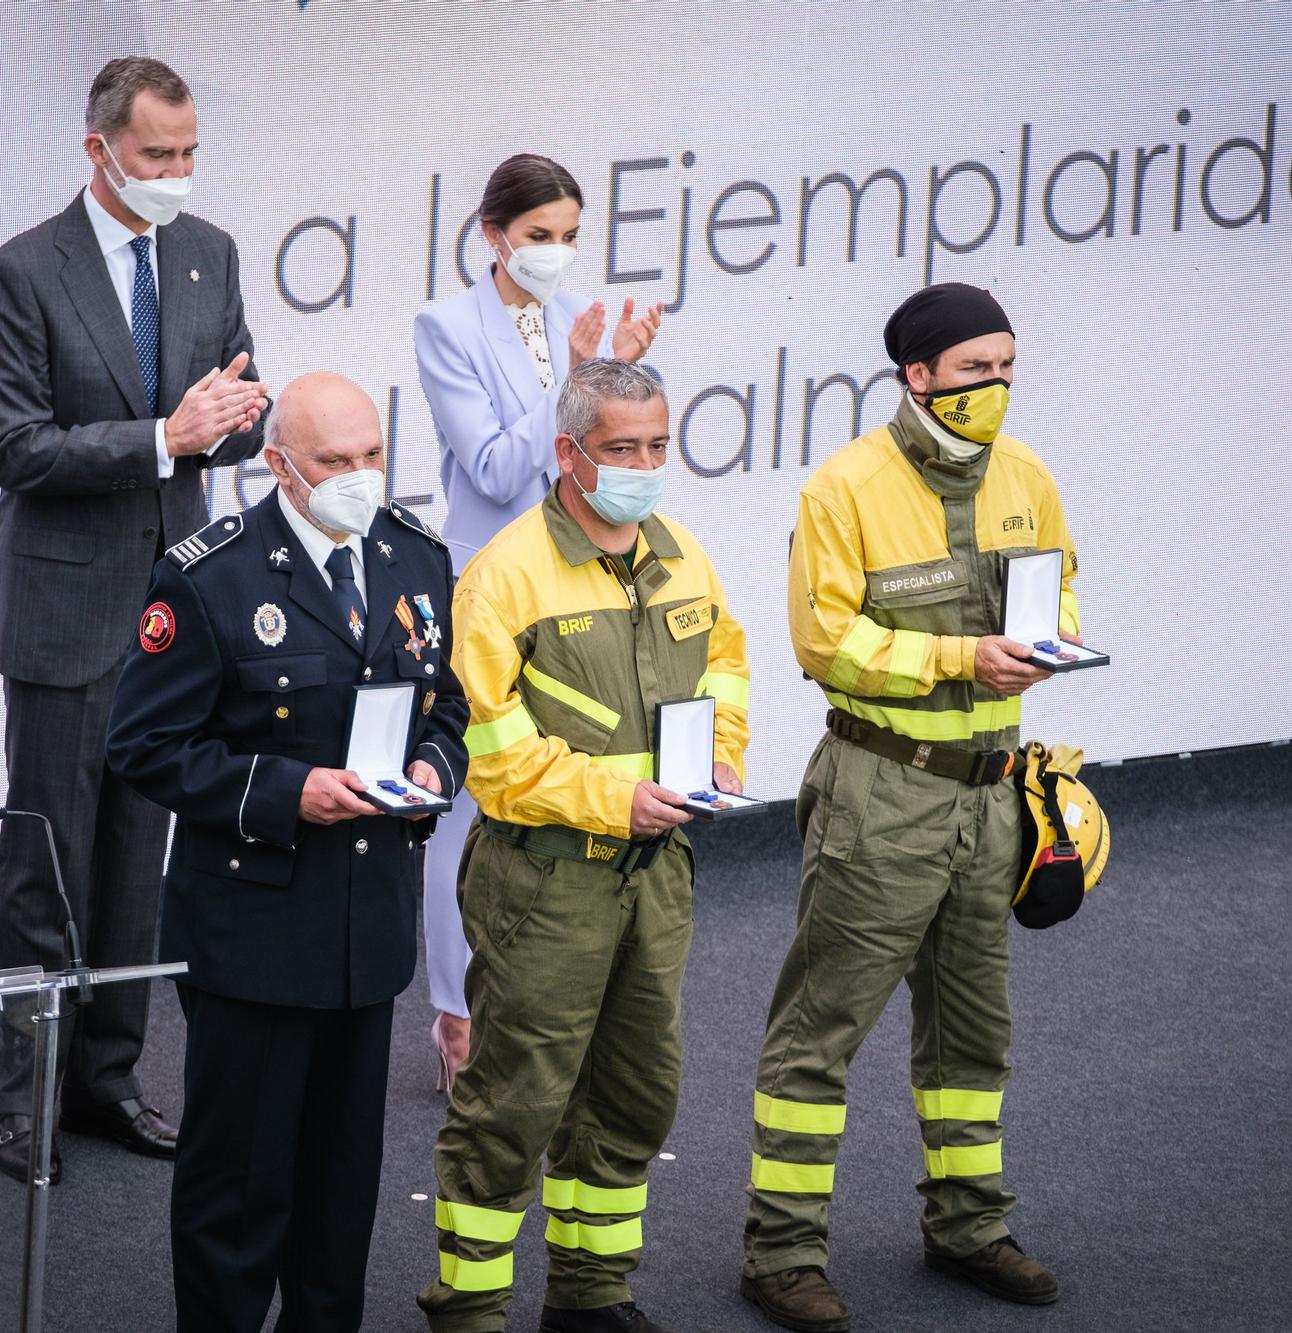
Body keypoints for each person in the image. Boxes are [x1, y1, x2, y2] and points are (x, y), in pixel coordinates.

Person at [739, 283, 1082, 1330]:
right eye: (975, 368)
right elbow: (820, 641)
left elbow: (1060, 590)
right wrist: (957, 656)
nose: (996, 386)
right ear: (917, 374)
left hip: (989, 798)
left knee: (973, 1033)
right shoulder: (842, 487)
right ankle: (779, 1253)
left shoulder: (1026, 476)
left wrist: (1048, 643)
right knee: (820, 1029)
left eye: (1007, 366)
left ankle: (968, 1224)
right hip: (878, 792)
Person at [107, 372, 469, 1332]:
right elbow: (143, 746)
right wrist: (284, 790)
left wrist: (435, 765)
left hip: (366, 932)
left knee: (339, 1196)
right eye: (336, 462)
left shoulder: (414, 556)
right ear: (280, 465)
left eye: (372, 456)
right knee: (240, 1194)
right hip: (256, 933)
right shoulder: (209, 574)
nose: (360, 477)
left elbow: (452, 705)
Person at [0, 55, 270, 1183]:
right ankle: (21, 1099)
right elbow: (16, 448)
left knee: (139, 865)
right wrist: (163, 438)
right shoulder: (23, 272)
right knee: (47, 863)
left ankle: (106, 1082)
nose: (177, 175)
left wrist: (238, 421)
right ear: (98, 150)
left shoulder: (208, 253)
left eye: (189, 154)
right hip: (59, 606)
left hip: (170, 610)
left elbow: (236, 409)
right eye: (156, 157)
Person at [419, 359, 748, 1333]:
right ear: (567, 453)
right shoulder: (505, 574)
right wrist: (615, 797)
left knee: (634, 1095)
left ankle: (590, 1296)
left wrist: (720, 757)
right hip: (543, 878)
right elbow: (492, 754)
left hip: (655, 877)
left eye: (656, 445)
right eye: (621, 449)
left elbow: (724, 666)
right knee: (511, 1107)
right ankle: (469, 1309)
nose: (644, 465)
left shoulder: (680, 552)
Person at [413, 153, 664, 1092]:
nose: (556, 255)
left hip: (572, 574)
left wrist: (616, 371)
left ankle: (547, 995)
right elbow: (489, 467)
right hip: (487, 580)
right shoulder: (445, 324)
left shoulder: (577, 319)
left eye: (568, 237)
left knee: (555, 785)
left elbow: (600, 454)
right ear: (492, 234)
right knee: (468, 801)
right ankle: (455, 1015)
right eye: (537, 237)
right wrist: (574, 382)